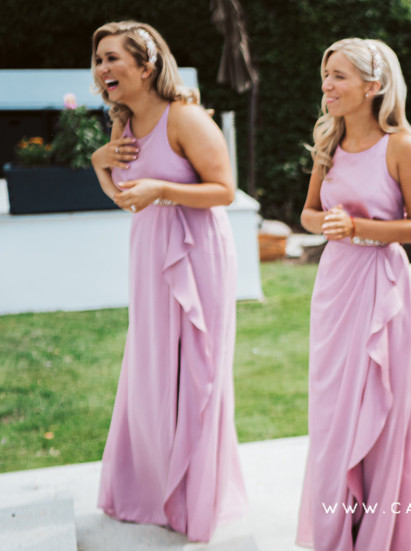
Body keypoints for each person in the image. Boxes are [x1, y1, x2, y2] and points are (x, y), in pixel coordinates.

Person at [90, 21, 247, 542]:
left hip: (196, 250)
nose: (104, 69)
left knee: (196, 369)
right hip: (150, 251)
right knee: (154, 366)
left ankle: (193, 498)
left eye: (114, 58)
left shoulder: (185, 117)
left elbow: (225, 190)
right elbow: (123, 195)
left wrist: (161, 188)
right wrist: (99, 163)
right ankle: (152, 489)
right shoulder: (123, 122)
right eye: (99, 60)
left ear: (146, 66)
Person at [295, 38, 411, 551]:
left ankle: (379, 535)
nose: (327, 85)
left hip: (382, 287)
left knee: (381, 403)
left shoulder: (401, 146)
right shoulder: (328, 141)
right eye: (326, 74)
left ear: (373, 87)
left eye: (339, 76)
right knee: (332, 409)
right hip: (334, 285)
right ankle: (335, 529)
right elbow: (308, 213)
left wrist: (358, 226)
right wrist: (329, 226)